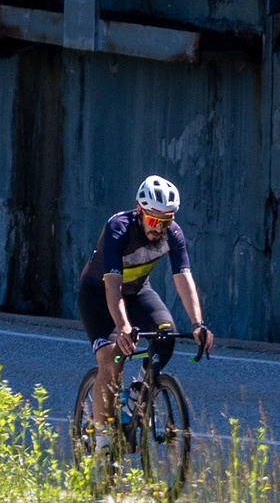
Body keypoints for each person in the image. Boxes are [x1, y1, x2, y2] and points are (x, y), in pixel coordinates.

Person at [79, 174, 214, 419]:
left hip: (138, 291)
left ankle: (137, 396)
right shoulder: (118, 228)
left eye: (166, 221)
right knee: (113, 359)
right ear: (140, 211)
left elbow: (183, 278)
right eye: (154, 220)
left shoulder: (172, 234)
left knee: (166, 333)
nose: (159, 228)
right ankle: (101, 441)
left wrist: (197, 324)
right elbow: (112, 286)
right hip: (99, 294)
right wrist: (123, 327)